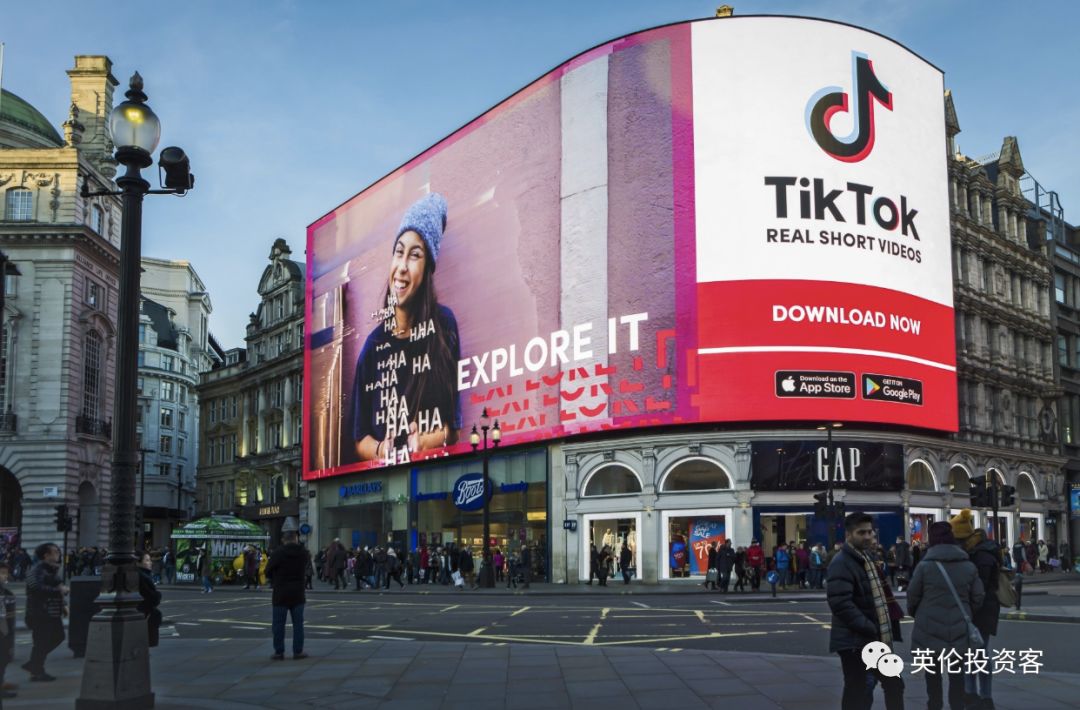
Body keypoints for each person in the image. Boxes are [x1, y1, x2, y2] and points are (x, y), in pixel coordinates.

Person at [352, 192, 461, 462]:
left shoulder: (444, 326)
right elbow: (360, 439)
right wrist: (382, 449)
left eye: (414, 255)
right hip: (386, 479)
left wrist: (424, 442)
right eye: (399, 252)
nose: (401, 266)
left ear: (427, 268)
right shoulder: (374, 345)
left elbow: (453, 428)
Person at [827, 512, 904, 710]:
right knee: (858, 690)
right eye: (861, 533)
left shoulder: (866, 559)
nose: (868, 536)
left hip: (873, 639)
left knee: (892, 685)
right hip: (855, 641)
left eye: (870, 532)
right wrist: (870, 627)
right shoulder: (842, 562)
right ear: (848, 535)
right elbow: (840, 604)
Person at [907, 521, 984, 710]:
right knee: (957, 674)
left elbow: (912, 596)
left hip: (929, 627)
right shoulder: (968, 566)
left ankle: (935, 705)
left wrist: (917, 613)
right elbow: (978, 596)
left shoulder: (924, 566)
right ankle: (957, 705)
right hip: (959, 626)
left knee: (932, 674)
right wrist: (967, 612)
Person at [949, 510, 999, 710]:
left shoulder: (980, 556)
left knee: (979, 653)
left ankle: (983, 696)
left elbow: (980, 589)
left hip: (981, 612)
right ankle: (973, 694)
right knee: (972, 654)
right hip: (977, 611)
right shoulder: (976, 552)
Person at [23, 543, 67, 682]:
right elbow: (36, 588)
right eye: (55, 552)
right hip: (40, 613)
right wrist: (58, 591)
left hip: (51, 612)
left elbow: (56, 587)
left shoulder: (51, 570)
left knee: (58, 636)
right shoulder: (37, 570)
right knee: (41, 642)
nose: (58, 554)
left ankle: (34, 664)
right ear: (46, 555)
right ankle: (37, 671)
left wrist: (63, 605)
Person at [266, 529, 310, 660]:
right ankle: (298, 651)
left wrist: (275, 579)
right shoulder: (303, 552)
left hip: (281, 592)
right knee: (298, 624)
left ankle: (279, 652)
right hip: (298, 592)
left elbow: (268, 571)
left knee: (278, 624)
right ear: (296, 539)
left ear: (283, 540)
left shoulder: (278, 552)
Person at [137, 551, 162, 647]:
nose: (150, 562)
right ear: (138, 562)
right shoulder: (142, 576)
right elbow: (152, 598)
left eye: (150, 560)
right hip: (145, 614)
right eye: (147, 560)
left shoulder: (142, 574)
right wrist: (158, 595)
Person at [0, 563, 17, 699]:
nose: (4, 576)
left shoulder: (6, 593)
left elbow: (10, 616)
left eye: (5, 573)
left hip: (4, 632)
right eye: (1, 573)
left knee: (4, 659)